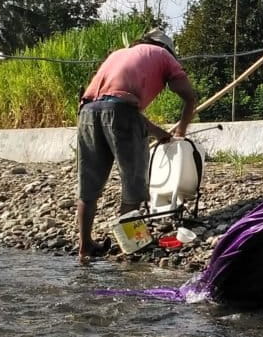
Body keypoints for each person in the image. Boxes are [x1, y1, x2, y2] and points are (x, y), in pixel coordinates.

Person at [76, 28, 197, 261]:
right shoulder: (164, 56)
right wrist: (181, 132)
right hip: (121, 112)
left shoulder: (119, 54)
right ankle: (131, 245)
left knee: (89, 185)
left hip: (87, 112)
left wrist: (155, 131)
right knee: (133, 182)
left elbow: (110, 101)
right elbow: (189, 97)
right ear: (167, 49)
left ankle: (85, 248)